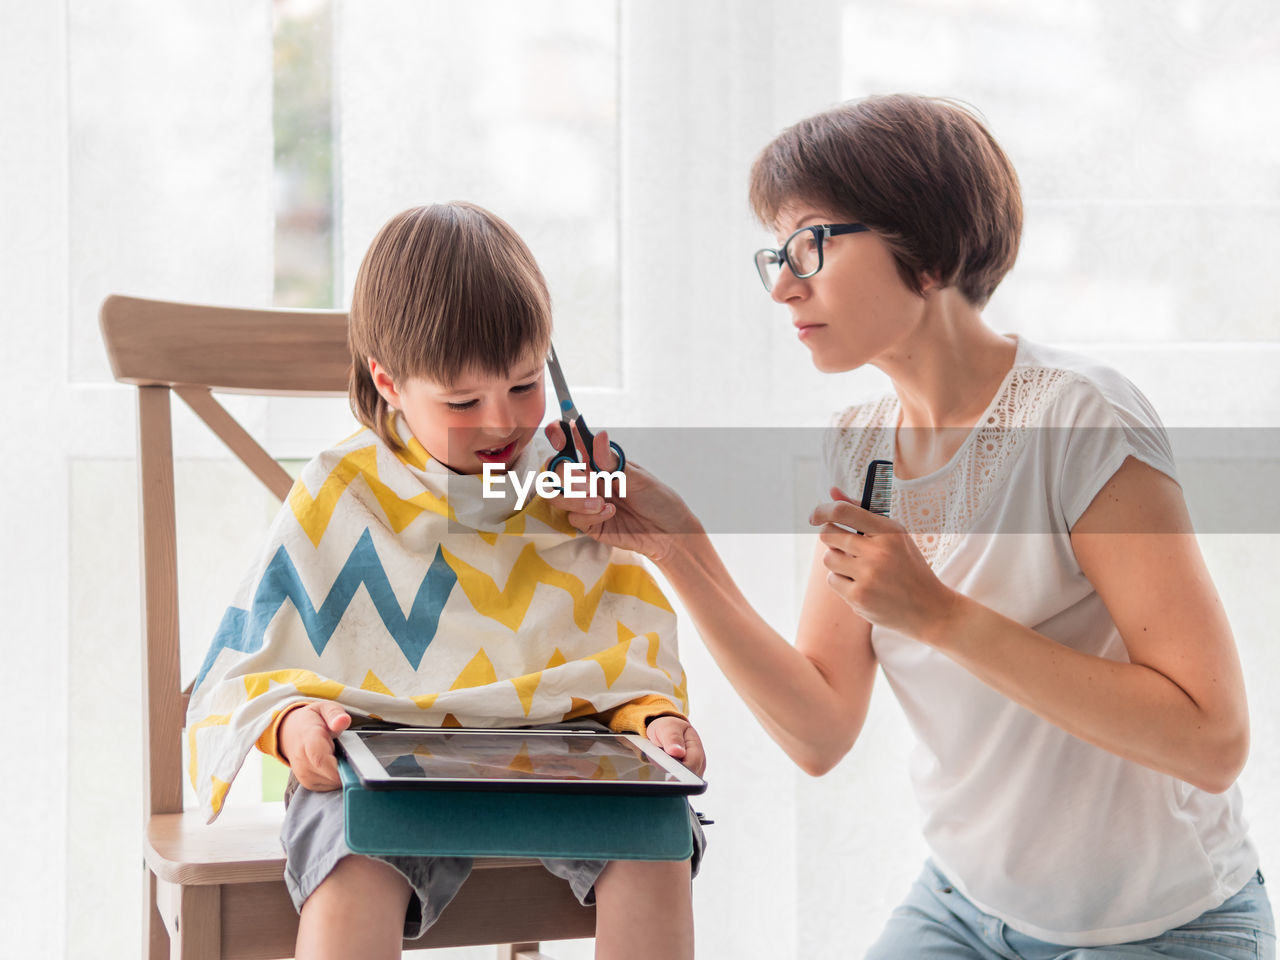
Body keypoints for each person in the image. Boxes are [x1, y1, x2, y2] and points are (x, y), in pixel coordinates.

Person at [550, 95, 1275, 958]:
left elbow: (1211, 739)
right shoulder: (860, 446)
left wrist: (939, 616)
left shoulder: (1079, 421)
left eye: (811, 244)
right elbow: (819, 730)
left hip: (1163, 926)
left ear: (926, 255)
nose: (784, 283)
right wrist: (674, 546)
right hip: (963, 910)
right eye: (776, 254)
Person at [185, 202, 705, 960]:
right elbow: (252, 662)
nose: (502, 422)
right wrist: (292, 723)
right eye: (462, 402)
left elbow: (622, 651)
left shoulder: (572, 485)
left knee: (657, 836)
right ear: (388, 384)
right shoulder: (346, 488)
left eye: (527, 385)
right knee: (350, 853)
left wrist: (655, 723)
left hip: (563, 750)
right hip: (383, 753)